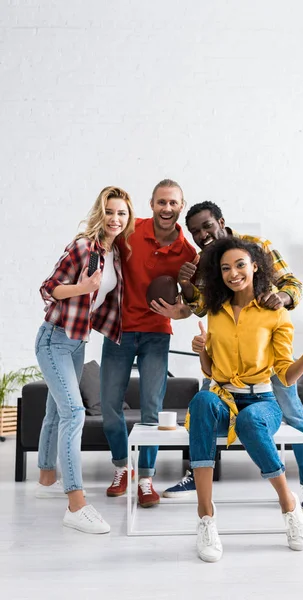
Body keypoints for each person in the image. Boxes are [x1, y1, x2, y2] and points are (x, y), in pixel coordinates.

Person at [162, 201, 303, 515]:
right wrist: (185, 285)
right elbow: (200, 307)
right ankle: (198, 479)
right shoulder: (202, 262)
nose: (202, 234)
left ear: (220, 221)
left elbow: (293, 284)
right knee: (204, 409)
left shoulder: (257, 247)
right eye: (195, 231)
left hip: (263, 348)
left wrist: (282, 296)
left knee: (293, 413)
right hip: (224, 349)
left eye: (206, 225)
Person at [186, 237, 303, 562]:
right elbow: (210, 369)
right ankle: (205, 514)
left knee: (251, 421)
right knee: (200, 402)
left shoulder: (275, 314)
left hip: (262, 401)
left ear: (255, 266)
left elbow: (285, 377)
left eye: (239, 265)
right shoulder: (215, 311)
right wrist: (201, 351)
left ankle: (288, 504)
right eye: (225, 268)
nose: (233, 273)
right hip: (222, 398)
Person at [35, 186, 135, 534]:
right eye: (110, 211)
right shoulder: (82, 247)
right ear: (100, 213)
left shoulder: (115, 254)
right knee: (74, 413)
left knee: (55, 410)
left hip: (77, 342)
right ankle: (75, 503)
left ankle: (47, 476)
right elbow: (49, 288)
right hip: (54, 339)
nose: (115, 218)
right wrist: (83, 286)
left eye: (122, 213)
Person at [100, 179, 197, 506]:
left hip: (157, 333)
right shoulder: (129, 230)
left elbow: (191, 305)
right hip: (120, 331)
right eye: (161, 202)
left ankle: (145, 479)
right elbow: (99, 249)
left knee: (152, 411)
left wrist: (180, 310)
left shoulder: (188, 253)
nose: (167, 208)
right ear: (152, 204)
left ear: (181, 206)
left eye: (173, 203)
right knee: (109, 406)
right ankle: (120, 467)